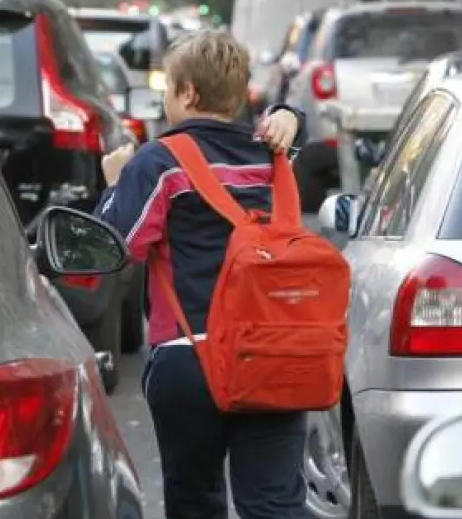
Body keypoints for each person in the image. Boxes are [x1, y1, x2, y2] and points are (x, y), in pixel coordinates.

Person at [95, 30, 309, 519]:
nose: (165, 102)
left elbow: (117, 246)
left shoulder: (158, 162)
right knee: (274, 504)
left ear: (188, 93)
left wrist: (114, 185)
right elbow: (298, 128)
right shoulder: (273, 151)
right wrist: (290, 115)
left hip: (190, 356)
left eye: (167, 90)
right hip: (274, 353)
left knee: (195, 501)